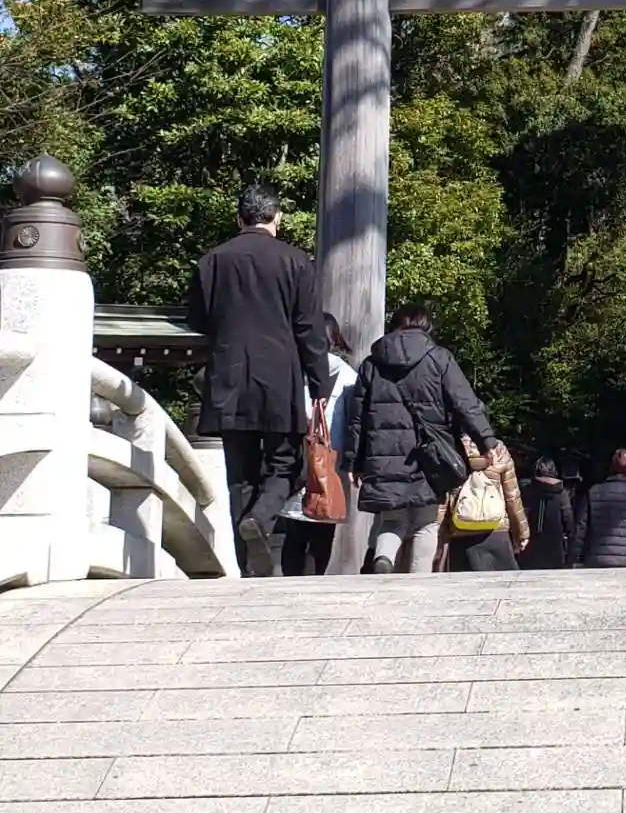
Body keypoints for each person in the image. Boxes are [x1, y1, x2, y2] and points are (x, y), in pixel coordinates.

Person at [187, 180, 329, 577]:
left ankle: (248, 566)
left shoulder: (212, 261)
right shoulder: (296, 261)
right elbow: (310, 329)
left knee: (240, 475)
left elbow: (197, 319)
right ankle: (262, 519)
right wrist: (320, 385)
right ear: (277, 217)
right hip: (279, 379)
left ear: (239, 218)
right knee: (287, 465)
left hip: (229, 378)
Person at [350, 302, 496, 575]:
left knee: (391, 520)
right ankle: (419, 580)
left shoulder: (371, 364)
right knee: (426, 522)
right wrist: (486, 441)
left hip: (382, 456)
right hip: (428, 456)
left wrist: (354, 462)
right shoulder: (439, 358)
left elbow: (357, 418)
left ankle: (384, 557)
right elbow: (465, 403)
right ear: (427, 326)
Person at [280, 313, 357, 577]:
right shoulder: (349, 376)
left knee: (294, 533)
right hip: (331, 462)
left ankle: (289, 583)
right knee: (323, 530)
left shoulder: (291, 370)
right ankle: (313, 583)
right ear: (335, 339)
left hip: (295, 458)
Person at [446, 435, 529, 572]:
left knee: (464, 584)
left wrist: (440, 535)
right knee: (504, 583)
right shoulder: (497, 448)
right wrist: (521, 533)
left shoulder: (450, 446)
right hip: (496, 531)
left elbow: (443, 499)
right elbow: (512, 496)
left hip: (460, 532)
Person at [573, 448, 626, 568]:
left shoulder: (593, 492)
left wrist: (575, 558)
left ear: (611, 468)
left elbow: (581, 529)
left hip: (598, 560)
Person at [518, 454, 575, 570]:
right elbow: (568, 522)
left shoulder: (527, 491)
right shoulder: (561, 494)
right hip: (555, 548)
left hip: (530, 548)